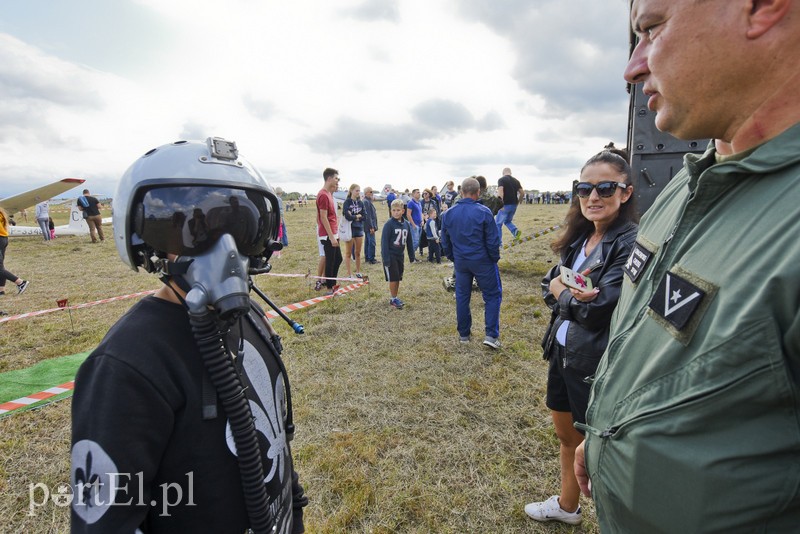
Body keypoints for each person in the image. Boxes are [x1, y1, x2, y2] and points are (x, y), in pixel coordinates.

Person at [572, 1, 800, 531]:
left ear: (762, 8)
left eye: (651, 28)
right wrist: (604, 433)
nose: (632, 67)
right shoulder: (688, 184)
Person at [70, 137, 307, 533]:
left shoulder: (250, 317)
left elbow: (275, 447)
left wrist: (295, 510)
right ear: (148, 240)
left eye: (243, 229)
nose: (227, 251)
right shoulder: (127, 368)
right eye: (196, 232)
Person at [524, 151, 637, 525]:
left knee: (601, 453)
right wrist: (565, 294)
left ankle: (615, 522)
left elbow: (599, 309)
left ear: (625, 192)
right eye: (584, 188)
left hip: (594, 362)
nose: (593, 196)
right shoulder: (581, 237)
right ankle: (568, 507)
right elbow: (549, 283)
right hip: (563, 352)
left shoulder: (630, 242)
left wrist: (563, 295)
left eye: (606, 187)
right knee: (566, 437)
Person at [441, 177, 502, 349]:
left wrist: (453, 257)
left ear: (461, 192)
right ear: (478, 192)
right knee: (491, 295)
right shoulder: (484, 212)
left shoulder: (448, 214)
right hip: (482, 260)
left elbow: (444, 240)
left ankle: (464, 334)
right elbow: (492, 240)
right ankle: (491, 335)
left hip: (461, 261)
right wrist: (493, 258)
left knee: (462, 296)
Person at [381, 199, 414, 309]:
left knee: (398, 277)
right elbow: (384, 243)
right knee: (393, 278)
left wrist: (411, 255)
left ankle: (395, 296)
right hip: (391, 255)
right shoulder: (388, 225)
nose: (395, 212)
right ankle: (393, 298)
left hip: (400, 255)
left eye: (398, 210)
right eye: (393, 210)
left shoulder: (406, 224)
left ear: (403, 211)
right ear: (391, 211)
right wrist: (386, 259)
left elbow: (409, 241)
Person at [316, 168, 342, 295]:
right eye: (336, 178)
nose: (337, 181)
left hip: (333, 233)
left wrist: (336, 234)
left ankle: (331, 283)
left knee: (338, 259)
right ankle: (330, 289)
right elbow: (323, 217)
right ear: (329, 178)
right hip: (327, 235)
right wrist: (331, 237)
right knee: (331, 261)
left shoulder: (329, 195)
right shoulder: (322, 195)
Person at [0, 207, 29, 296]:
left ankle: (20, 282)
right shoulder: (1, 212)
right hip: (3, 238)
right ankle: (1, 290)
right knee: (1, 266)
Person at [495, 167, 523, 247]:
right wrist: (519, 202)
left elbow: (501, 191)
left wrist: (500, 204)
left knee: (498, 224)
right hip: (513, 204)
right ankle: (515, 231)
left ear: (503, 173)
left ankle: (498, 243)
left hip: (505, 204)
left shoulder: (501, 180)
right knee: (507, 221)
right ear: (510, 173)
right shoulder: (516, 181)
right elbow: (522, 193)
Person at [342, 183, 365, 278]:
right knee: (348, 253)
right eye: (357, 190)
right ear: (351, 191)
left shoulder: (360, 202)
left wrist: (354, 216)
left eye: (359, 190)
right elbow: (347, 216)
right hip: (349, 229)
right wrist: (356, 216)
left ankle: (358, 271)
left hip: (359, 229)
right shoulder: (347, 202)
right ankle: (349, 273)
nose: (358, 192)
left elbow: (364, 216)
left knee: (358, 252)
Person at [362, 186, 379, 264]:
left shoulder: (368, 201)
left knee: (368, 241)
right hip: (369, 226)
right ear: (366, 193)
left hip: (367, 226)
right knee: (371, 242)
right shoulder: (366, 202)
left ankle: (368, 258)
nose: (372, 194)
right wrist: (371, 227)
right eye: (371, 192)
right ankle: (371, 259)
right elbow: (368, 216)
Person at [406, 189, 423, 260]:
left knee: (418, 241)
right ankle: (412, 257)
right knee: (415, 242)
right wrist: (413, 224)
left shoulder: (419, 203)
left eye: (419, 192)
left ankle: (413, 256)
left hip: (419, 225)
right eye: (417, 193)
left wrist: (422, 221)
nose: (419, 194)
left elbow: (421, 213)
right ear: (413, 194)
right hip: (414, 225)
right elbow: (408, 214)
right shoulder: (411, 203)